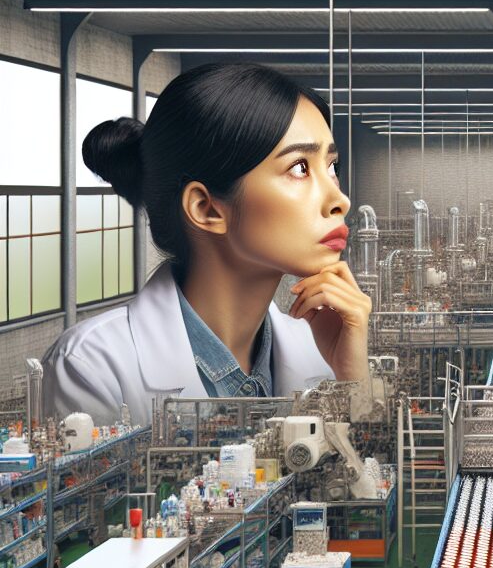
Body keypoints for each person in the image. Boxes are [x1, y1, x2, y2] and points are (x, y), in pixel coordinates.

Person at [42, 62, 371, 426]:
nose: (340, 200)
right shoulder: (91, 367)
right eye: (299, 168)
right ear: (206, 208)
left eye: (331, 166)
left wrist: (353, 379)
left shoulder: (321, 348)